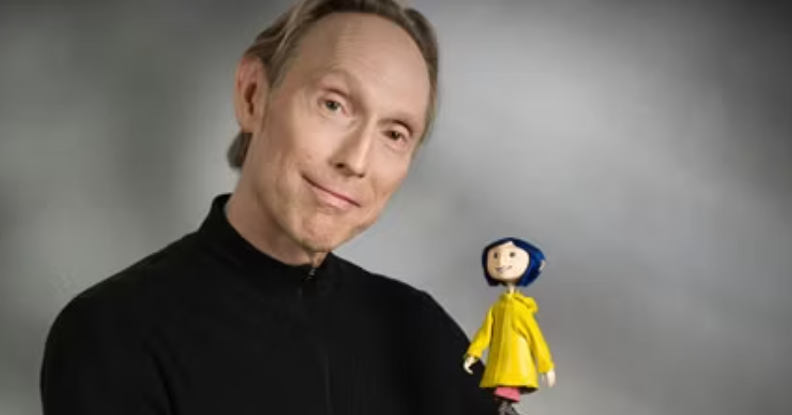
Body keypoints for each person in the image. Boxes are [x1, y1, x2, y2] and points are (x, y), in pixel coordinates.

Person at [39, 0, 498, 414]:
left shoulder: (421, 331)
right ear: (253, 95)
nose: (357, 160)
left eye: (395, 134)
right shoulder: (114, 331)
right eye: (334, 105)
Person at [463, 238, 557, 415]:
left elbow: (535, 338)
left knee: (505, 392)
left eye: (512, 255)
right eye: (495, 256)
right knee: (498, 395)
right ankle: (505, 409)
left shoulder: (521, 309)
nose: (501, 261)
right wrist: (473, 354)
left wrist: (546, 367)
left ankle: (505, 409)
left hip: (516, 363)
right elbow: (485, 333)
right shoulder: (497, 307)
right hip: (498, 363)